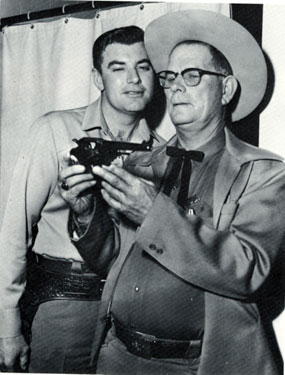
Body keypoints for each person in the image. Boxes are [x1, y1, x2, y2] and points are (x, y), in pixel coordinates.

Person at [61, 10, 285, 375]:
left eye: (192, 75)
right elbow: (112, 258)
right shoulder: (143, 163)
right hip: (116, 355)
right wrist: (86, 214)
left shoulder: (261, 173)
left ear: (226, 89)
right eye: (168, 77)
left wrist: (153, 213)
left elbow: (247, 268)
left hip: (195, 365)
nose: (175, 86)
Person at [0, 25, 164, 373]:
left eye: (144, 66)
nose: (134, 79)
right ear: (97, 77)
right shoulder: (55, 130)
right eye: (118, 68)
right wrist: (7, 326)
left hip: (131, 312)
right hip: (66, 303)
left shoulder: (164, 152)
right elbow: (13, 229)